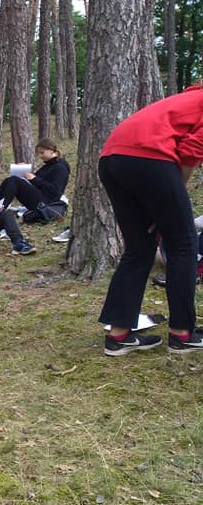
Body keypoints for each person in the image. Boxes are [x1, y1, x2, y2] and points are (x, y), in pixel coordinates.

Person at [99, 83, 203, 356]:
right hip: (149, 158)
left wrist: (164, 204)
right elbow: (192, 150)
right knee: (184, 244)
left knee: (140, 247)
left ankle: (118, 336)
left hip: (111, 159)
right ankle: (182, 334)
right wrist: (175, 194)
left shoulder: (188, 99)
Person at [0, 137, 71, 223]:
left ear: (51, 150)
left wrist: (34, 179)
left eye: (42, 153)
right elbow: (38, 179)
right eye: (39, 153)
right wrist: (24, 170)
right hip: (40, 196)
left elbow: (55, 192)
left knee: (13, 180)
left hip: (46, 202)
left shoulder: (60, 167)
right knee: (9, 180)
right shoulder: (49, 165)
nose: (40, 156)